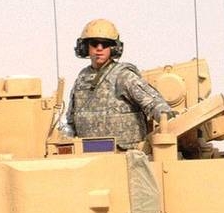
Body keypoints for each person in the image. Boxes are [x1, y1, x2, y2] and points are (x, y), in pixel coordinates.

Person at [61, 19, 172, 149]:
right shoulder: (82, 78)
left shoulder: (123, 76)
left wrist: (168, 122)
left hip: (126, 153)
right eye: (94, 43)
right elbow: (71, 120)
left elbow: (154, 104)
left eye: (105, 44)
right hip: (88, 154)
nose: (99, 48)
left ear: (113, 48)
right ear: (86, 47)